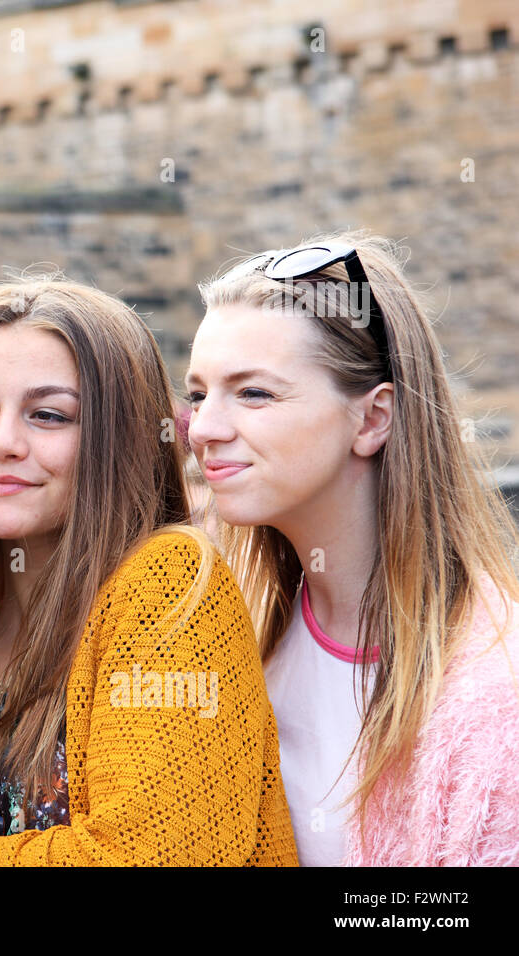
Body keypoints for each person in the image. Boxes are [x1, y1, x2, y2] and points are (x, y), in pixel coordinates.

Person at [0, 277, 298, 865]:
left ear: (119, 438)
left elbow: (158, 855)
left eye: (49, 415)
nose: (1, 441)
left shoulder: (169, 583)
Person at [185, 233, 519, 865]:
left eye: (253, 393)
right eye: (199, 394)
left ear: (372, 419)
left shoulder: (492, 694)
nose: (203, 429)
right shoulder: (231, 636)